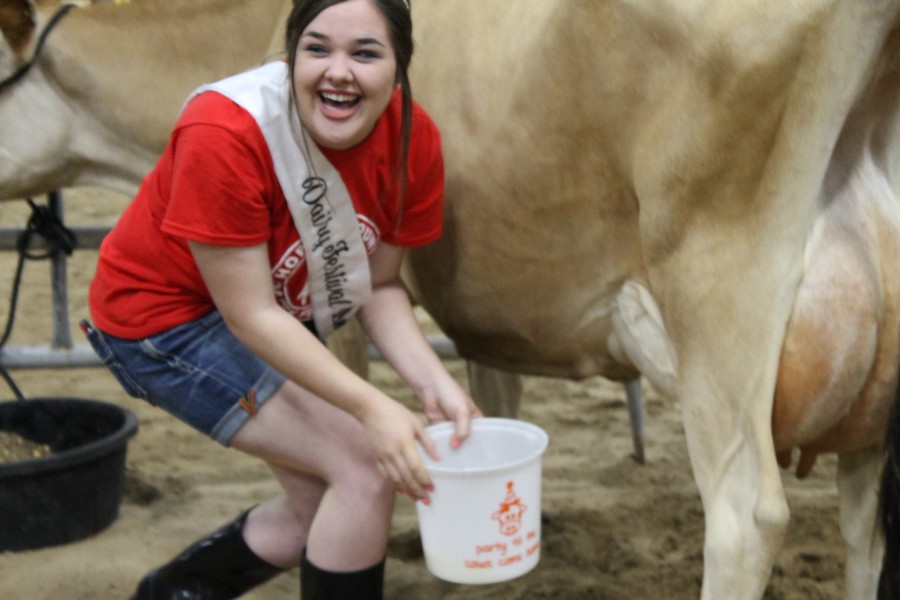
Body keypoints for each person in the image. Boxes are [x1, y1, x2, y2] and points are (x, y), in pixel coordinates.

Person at [83, 0, 481, 598]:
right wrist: (375, 408)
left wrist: (431, 383)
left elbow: (378, 284)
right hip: (164, 322)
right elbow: (249, 314)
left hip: (270, 312)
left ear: (399, 68)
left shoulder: (411, 140)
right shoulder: (225, 132)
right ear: (290, 54)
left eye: (365, 53)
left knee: (324, 505)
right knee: (363, 471)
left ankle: (176, 592)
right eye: (317, 48)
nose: (338, 71)